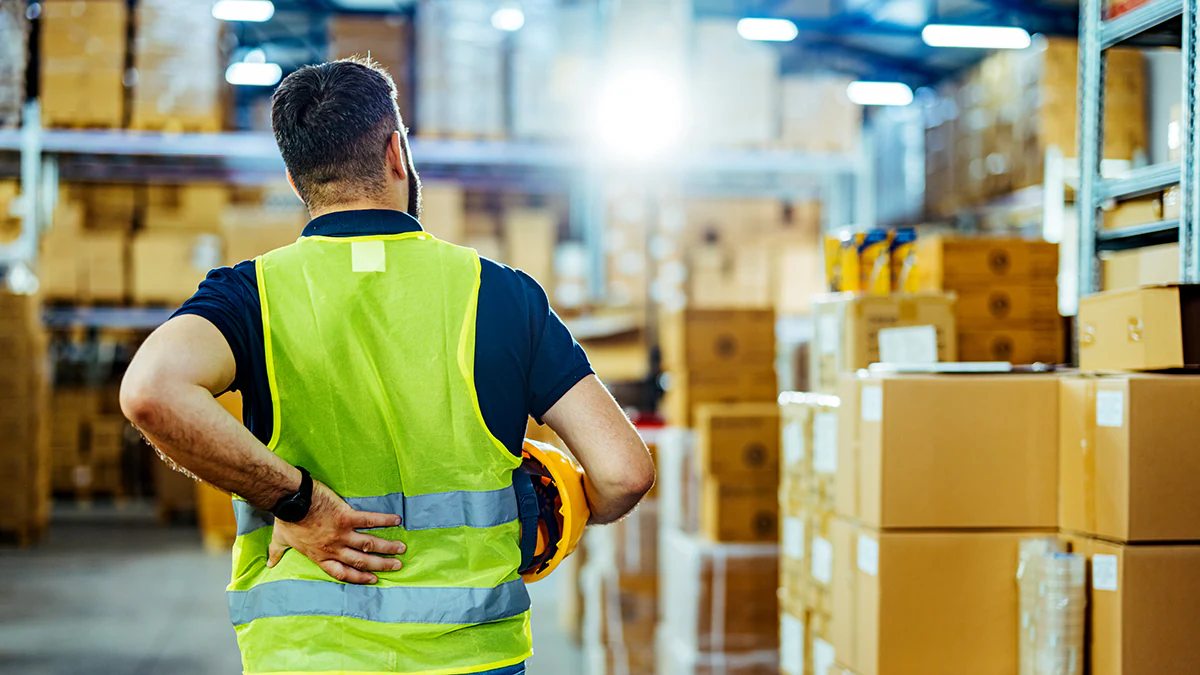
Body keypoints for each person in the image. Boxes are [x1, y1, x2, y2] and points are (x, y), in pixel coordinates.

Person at [120, 57, 655, 675]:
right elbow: (624, 473)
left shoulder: (251, 295)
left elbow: (152, 392)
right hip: (472, 658)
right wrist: (562, 509)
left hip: (308, 656)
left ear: (297, 183)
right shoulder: (501, 295)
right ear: (397, 153)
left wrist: (300, 504)